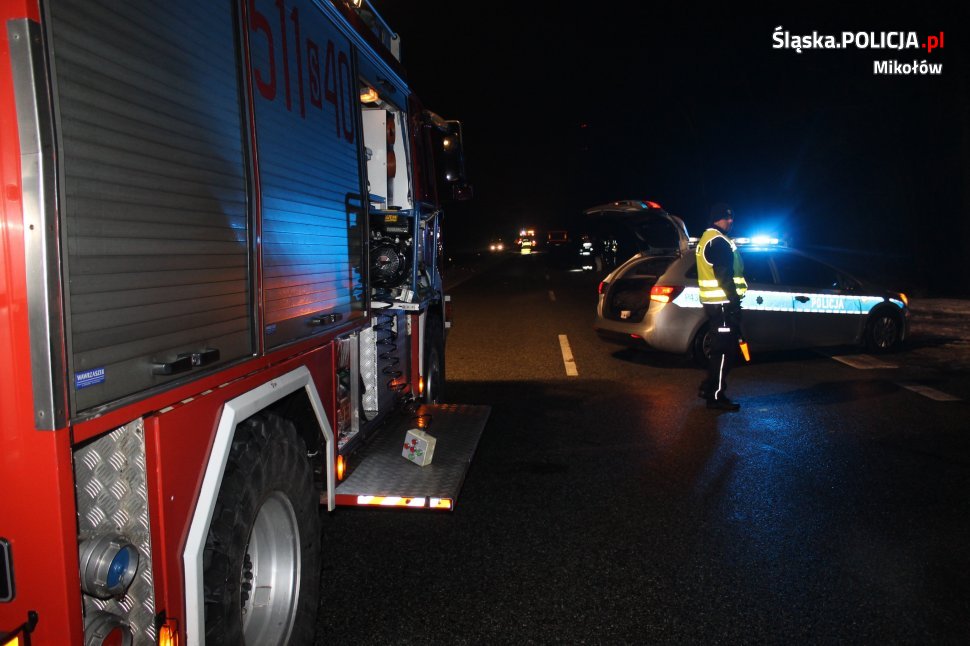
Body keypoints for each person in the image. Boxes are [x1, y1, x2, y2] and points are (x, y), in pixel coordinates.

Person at [696, 203, 748, 411]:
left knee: (719, 349)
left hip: (715, 304)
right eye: (727, 218)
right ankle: (716, 397)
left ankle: (709, 388)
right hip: (724, 305)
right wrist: (734, 304)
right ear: (716, 219)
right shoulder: (718, 241)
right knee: (724, 351)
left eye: (732, 217)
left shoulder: (708, 238)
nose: (731, 221)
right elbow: (725, 276)